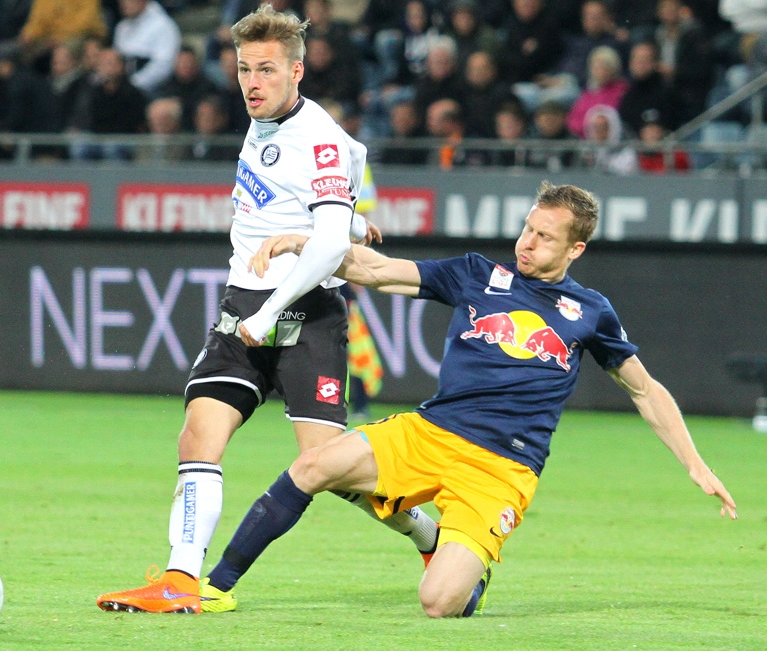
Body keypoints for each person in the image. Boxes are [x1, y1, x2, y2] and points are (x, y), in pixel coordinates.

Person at [198, 181, 738, 617]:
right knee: (314, 463)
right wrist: (307, 244)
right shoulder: (480, 274)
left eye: (545, 237)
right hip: (431, 433)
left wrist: (695, 463)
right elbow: (375, 269)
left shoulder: (590, 311)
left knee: (438, 603)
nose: (527, 242)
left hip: (503, 469)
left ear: (576, 248)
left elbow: (644, 389)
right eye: (528, 228)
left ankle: (468, 568)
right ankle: (214, 587)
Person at [95, 4, 439, 616]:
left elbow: (330, 243)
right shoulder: (262, 124)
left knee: (326, 469)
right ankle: (179, 580)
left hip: (305, 312)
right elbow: (314, 210)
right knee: (199, 434)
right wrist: (352, 217)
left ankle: (429, 535)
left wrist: (284, 293)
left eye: (267, 71)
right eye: (244, 71)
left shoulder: (322, 139)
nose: (252, 84)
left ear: (297, 71)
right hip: (242, 303)